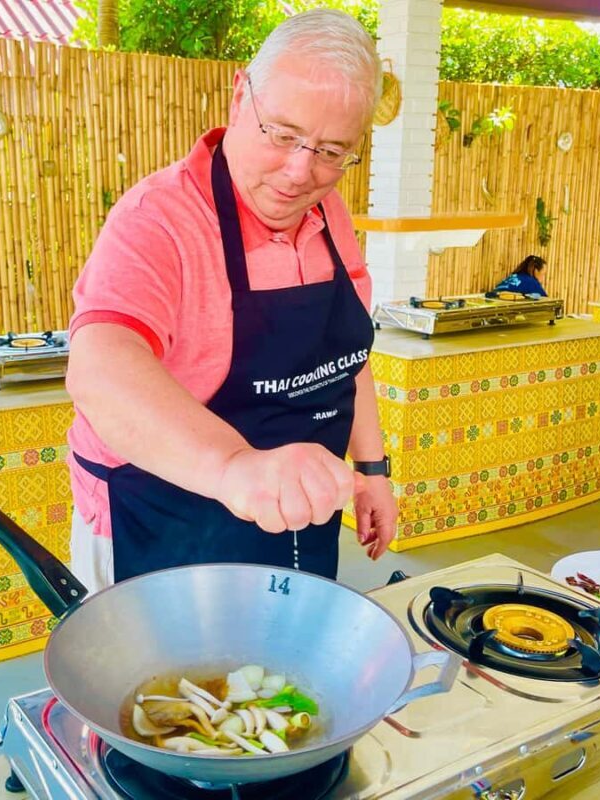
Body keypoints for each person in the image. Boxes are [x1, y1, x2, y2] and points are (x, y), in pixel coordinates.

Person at [65, 8, 398, 594]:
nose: (300, 172)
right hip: (161, 516)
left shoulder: (330, 213)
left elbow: (348, 359)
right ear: (239, 94)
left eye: (331, 151)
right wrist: (235, 468)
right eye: (283, 135)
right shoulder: (159, 219)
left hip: (294, 514)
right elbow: (101, 370)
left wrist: (372, 471)